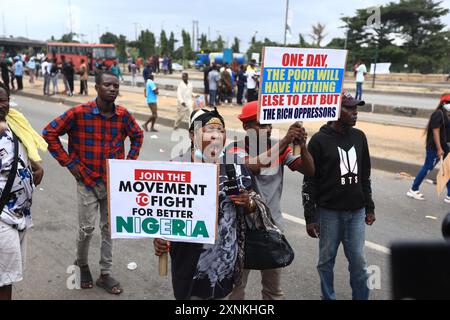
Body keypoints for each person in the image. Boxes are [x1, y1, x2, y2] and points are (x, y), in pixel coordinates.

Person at [42, 71, 144, 295]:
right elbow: (49, 133)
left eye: (116, 85)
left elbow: (137, 135)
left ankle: (105, 273)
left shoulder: (123, 115)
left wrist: (128, 164)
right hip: (87, 180)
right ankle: (82, 263)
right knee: (86, 228)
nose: (112, 89)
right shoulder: (79, 113)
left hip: (113, 181)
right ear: (96, 87)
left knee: (109, 229)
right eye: (107, 84)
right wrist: (69, 164)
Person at [154, 107, 264, 300]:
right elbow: (162, 210)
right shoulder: (177, 167)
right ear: (192, 135)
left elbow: (256, 206)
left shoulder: (236, 166)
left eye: (220, 130)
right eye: (208, 130)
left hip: (224, 262)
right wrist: (160, 238)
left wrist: (248, 203)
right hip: (189, 262)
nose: (216, 136)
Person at [228, 101, 315, 300]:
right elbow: (255, 166)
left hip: (272, 228)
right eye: (260, 124)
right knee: (236, 288)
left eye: (268, 124)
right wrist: (285, 141)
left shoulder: (281, 149)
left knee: (273, 291)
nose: (267, 129)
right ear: (246, 127)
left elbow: (309, 170)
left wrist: (302, 145)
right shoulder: (234, 150)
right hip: (240, 230)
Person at [302, 91, 376, 300]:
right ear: (334, 110)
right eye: (349, 108)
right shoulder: (318, 140)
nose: (355, 113)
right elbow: (309, 181)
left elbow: (365, 176)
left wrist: (369, 207)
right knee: (326, 261)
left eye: (355, 108)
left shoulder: (359, 137)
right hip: (328, 214)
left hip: (356, 212)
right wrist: (310, 217)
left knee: (359, 263)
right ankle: (329, 297)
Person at [0, 81, 45, 300]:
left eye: (3, 100)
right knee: (4, 280)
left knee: (6, 276)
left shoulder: (14, 125)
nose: (0, 105)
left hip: (20, 215)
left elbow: (24, 151)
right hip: (2, 217)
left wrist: (36, 166)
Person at [407, 93, 450, 202]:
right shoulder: (438, 114)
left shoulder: (446, 114)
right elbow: (436, 132)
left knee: (448, 169)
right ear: (444, 103)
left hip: (445, 147)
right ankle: (413, 189)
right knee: (427, 168)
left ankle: (449, 195)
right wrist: (439, 148)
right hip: (435, 148)